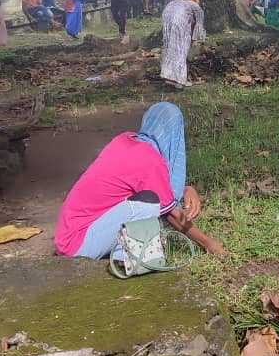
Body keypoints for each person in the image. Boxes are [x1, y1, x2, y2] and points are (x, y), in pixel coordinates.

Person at [54, 102, 226, 260]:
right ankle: (127, 259)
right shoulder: (149, 160)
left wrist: (186, 188)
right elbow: (171, 213)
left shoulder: (125, 141)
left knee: (151, 201)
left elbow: (148, 183)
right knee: (149, 204)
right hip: (78, 245)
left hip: (70, 233)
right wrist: (208, 243)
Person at [160, 0, 207, 89]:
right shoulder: (196, 7)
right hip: (179, 21)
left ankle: (167, 76)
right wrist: (196, 40)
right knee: (181, 49)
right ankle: (179, 81)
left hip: (166, 17)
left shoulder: (174, 2)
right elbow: (199, 25)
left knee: (169, 47)